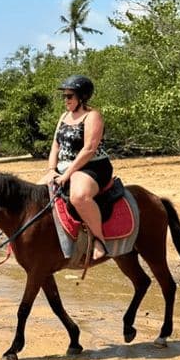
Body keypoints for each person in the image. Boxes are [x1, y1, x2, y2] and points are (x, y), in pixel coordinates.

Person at [39, 75, 113, 260]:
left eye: (69, 96)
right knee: (34, 193)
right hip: (64, 168)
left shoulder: (92, 116)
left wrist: (67, 175)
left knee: (79, 196)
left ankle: (99, 240)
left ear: (82, 97)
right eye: (64, 96)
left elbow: (89, 149)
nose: (66, 100)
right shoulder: (64, 116)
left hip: (92, 166)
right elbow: (55, 145)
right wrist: (51, 170)